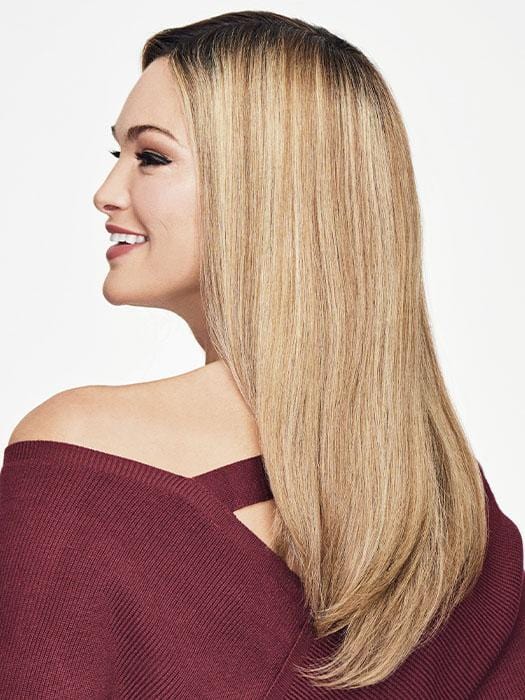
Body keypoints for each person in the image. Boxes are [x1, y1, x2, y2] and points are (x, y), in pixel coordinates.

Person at [1, 9, 523, 698]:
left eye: (151, 157)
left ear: (266, 186)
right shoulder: (454, 513)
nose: (107, 193)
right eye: (116, 155)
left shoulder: (84, 451)